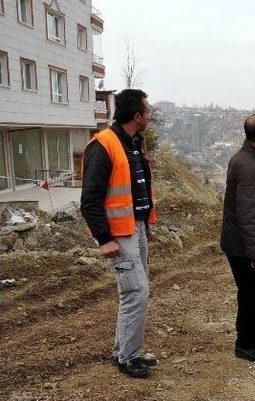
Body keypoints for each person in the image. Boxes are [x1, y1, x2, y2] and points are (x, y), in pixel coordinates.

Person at [80, 89, 158, 378]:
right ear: (137, 116)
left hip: (135, 229)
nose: (149, 115)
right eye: (147, 111)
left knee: (135, 292)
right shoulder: (104, 145)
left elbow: (136, 190)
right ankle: (128, 357)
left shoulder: (134, 144)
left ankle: (125, 351)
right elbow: (89, 200)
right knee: (136, 292)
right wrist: (105, 238)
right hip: (118, 234)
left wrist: (144, 225)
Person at [221, 113, 255, 363]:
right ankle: (245, 344)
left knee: (250, 294)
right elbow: (249, 215)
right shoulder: (248, 166)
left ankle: (250, 338)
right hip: (244, 247)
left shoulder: (248, 160)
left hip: (241, 243)